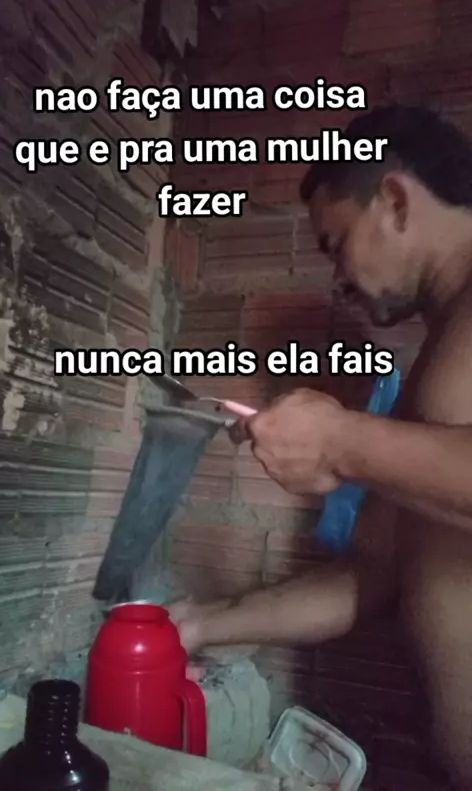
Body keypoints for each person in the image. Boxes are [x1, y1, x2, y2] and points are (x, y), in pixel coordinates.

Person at [170, 104, 472, 790]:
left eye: (336, 244)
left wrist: (341, 442)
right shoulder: (438, 362)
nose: (336, 277)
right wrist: (199, 624)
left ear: (395, 201)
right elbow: (375, 574)